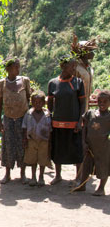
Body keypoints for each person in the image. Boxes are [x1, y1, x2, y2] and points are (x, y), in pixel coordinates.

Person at [48, 55, 85, 185]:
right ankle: (58, 175)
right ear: (63, 66)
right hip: (58, 122)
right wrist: (50, 119)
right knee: (58, 150)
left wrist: (80, 121)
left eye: (75, 66)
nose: (74, 68)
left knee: (77, 150)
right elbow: (50, 104)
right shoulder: (53, 83)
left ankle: (78, 177)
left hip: (73, 123)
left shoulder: (78, 83)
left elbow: (82, 103)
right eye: (72, 66)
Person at [0, 58, 30, 184]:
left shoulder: (24, 81)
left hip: (23, 118)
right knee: (8, 145)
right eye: (15, 67)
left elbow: (28, 98)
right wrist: (0, 121)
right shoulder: (2, 83)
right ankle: (7, 173)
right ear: (8, 69)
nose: (18, 69)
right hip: (8, 118)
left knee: (23, 145)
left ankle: (23, 173)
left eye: (18, 66)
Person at [76, 90, 110, 196]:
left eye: (105, 101)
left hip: (104, 147)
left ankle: (101, 188)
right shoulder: (90, 113)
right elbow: (84, 128)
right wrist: (83, 142)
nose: (102, 104)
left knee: (103, 166)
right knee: (86, 164)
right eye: (100, 101)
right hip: (89, 146)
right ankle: (82, 185)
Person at [22, 91, 52, 186]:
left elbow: (50, 129)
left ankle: (41, 177)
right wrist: (25, 140)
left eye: (40, 102)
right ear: (31, 102)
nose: (37, 104)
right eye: (35, 102)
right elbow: (24, 127)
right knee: (33, 160)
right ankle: (33, 177)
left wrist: (50, 142)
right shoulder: (28, 114)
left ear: (44, 103)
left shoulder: (47, 114)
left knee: (42, 160)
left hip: (44, 141)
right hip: (31, 140)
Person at [72, 35, 97, 112]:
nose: (93, 53)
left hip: (86, 104)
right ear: (84, 53)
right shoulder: (76, 68)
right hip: (76, 105)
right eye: (90, 51)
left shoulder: (89, 67)